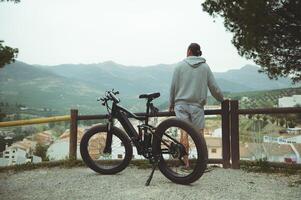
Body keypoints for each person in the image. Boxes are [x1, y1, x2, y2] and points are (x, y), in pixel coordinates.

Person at [169, 43, 224, 169]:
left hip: (180, 105)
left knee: (184, 134)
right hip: (197, 106)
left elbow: (173, 87)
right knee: (199, 136)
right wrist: (221, 99)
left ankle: (186, 163)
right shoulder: (205, 67)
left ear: (189, 51)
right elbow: (214, 87)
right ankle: (202, 164)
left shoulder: (179, 66)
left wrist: (171, 103)